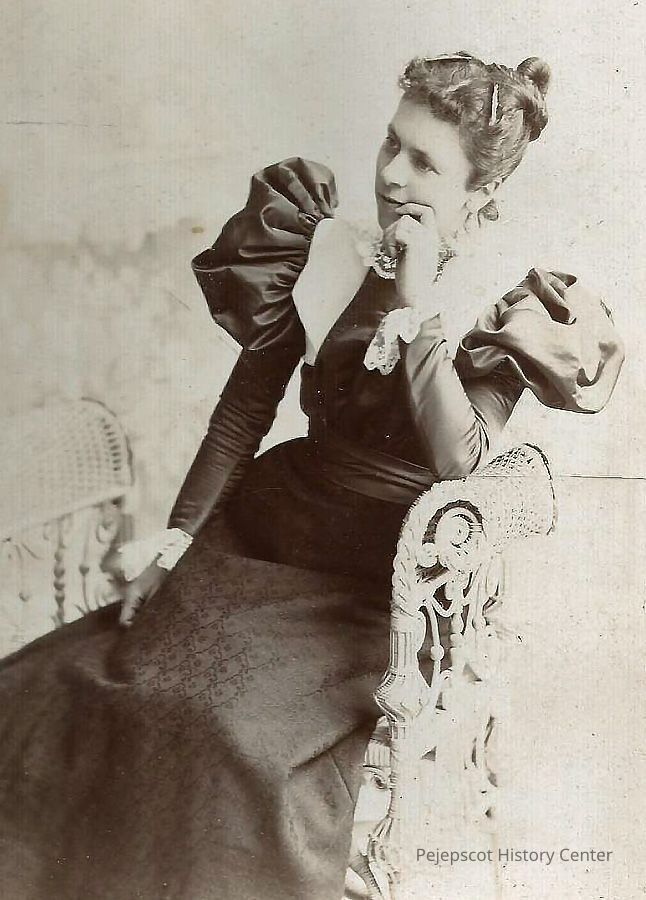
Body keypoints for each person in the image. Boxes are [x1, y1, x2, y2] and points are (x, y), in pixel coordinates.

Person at [0, 52, 624, 900]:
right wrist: (173, 546)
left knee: (231, 738)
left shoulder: (507, 302)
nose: (393, 175)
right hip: (260, 539)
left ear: (481, 192)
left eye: (425, 163)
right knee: (79, 683)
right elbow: (242, 413)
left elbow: (463, 468)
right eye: (391, 144)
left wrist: (418, 305)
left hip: (375, 585)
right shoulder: (328, 251)